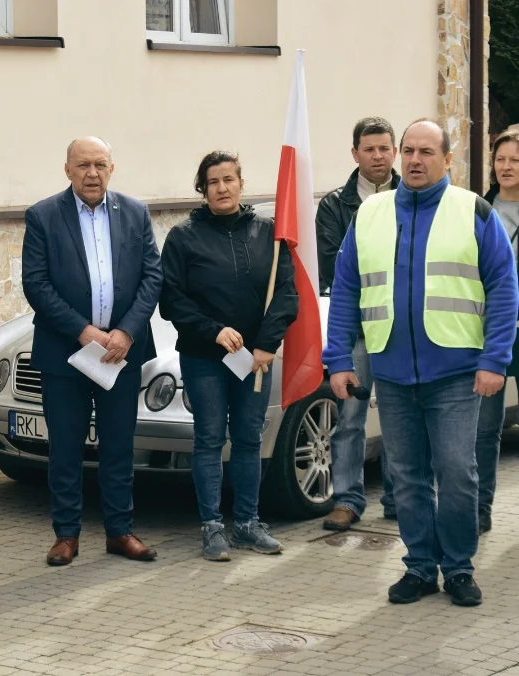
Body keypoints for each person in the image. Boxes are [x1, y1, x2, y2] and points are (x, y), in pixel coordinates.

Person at [325, 119, 518, 607]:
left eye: (426, 152)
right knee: (407, 476)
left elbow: (503, 287)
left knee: (457, 473)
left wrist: (495, 359)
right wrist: (338, 358)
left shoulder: (473, 210)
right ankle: (418, 566)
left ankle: (457, 568)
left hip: (456, 373)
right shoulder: (370, 213)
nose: (414, 160)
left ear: (447, 160)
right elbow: (346, 288)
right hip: (391, 373)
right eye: (408, 150)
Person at [20, 137, 163, 566]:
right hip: (67, 352)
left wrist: (126, 332)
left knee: (119, 445)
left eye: (100, 164)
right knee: (65, 446)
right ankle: (66, 535)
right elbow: (37, 285)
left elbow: (152, 278)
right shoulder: (43, 215)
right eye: (83, 165)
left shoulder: (135, 212)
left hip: (121, 352)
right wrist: (83, 331)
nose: (92, 173)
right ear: (67, 169)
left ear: (112, 168)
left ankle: (120, 532)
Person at [160, 151, 299, 562]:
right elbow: (172, 300)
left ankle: (248, 523)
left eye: (229, 179)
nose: (222, 188)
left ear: (241, 183)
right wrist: (213, 330)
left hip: (255, 359)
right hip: (205, 358)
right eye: (213, 182)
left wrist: (266, 344)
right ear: (202, 189)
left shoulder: (269, 233)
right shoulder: (183, 237)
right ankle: (212, 527)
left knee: (248, 439)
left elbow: (286, 294)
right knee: (208, 440)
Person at [317, 117, 402, 531]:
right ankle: (347, 500)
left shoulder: (415, 196)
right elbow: (335, 268)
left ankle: (399, 497)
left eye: (385, 148)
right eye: (369, 149)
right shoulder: (334, 206)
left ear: (394, 151)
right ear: (355, 154)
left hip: (403, 329)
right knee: (350, 417)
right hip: (356, 330)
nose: (378, 156)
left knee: (399, 416)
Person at [475, 128, 519, 535]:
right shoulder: (479, 208)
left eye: (515, 161)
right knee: (485, 428)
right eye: (500, 159)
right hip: (489, 331)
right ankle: (480, 509)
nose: (506, 167)